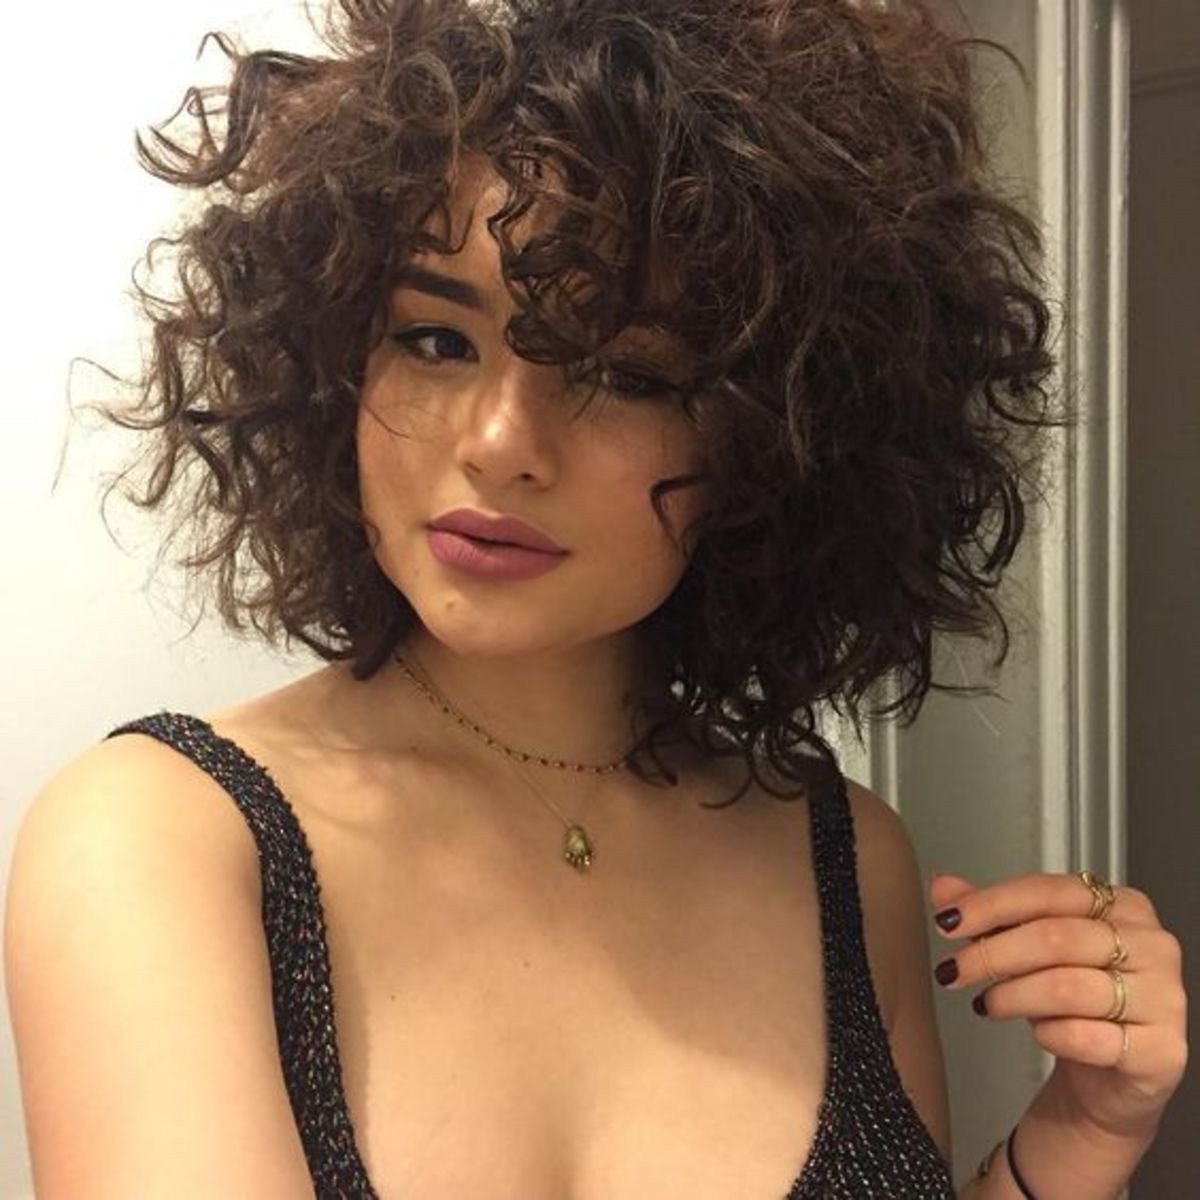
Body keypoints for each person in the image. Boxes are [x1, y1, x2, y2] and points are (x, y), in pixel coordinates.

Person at [4, 0, 1187, 1196]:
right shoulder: (164, 845)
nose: (500, 444)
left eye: (626, 373)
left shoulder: (846, 861)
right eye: (435, 340)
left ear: (776, 434)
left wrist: (1078, 1138)